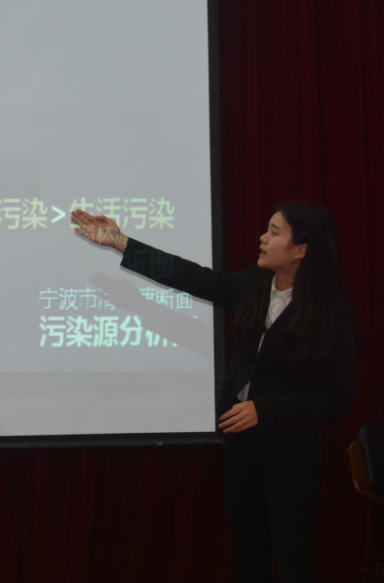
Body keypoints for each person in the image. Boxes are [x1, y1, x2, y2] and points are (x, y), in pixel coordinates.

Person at [71, 203, 357, 583]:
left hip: (290, 455)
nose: (262, 238)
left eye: (274, 232)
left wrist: (264, 410)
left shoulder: (333, 314)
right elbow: (193, 277)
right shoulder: (255, 283)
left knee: (293, 560)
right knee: (247, 556)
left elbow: (337, 395)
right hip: (241, 447)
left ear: (300, 249)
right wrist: (122, 242)